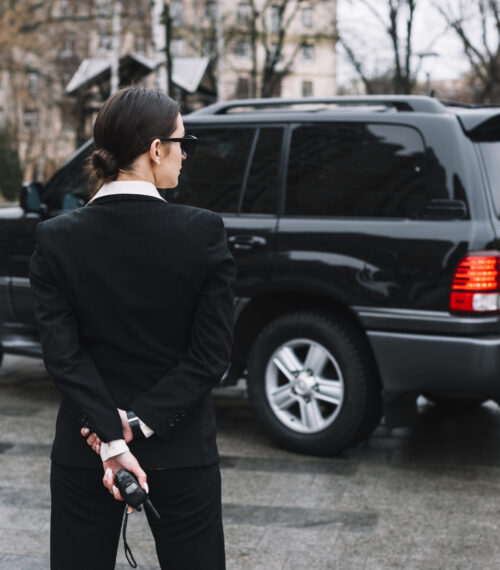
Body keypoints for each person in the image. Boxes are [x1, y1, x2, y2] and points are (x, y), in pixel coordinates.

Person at [28, 86, 236, 569]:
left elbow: (63, 355)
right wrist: (137, 424)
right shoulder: (202, 231)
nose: (186, 153)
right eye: (184, 142)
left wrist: (110, 436)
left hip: (87, 451)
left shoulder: (56, 238)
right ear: (155, 149)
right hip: (180, 448)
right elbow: (211, 355)